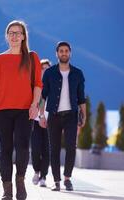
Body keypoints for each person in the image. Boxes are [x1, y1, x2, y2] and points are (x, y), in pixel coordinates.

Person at [0, 20, 42, 200]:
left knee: (22, 148)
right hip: (2, 111)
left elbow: (37, 85)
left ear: (23, 36)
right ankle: (7, 189)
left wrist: (34, 105)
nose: (14, 36)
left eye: (17, 33)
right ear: (7, 36)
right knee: (5, 149)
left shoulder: (32, 57)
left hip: (24, 111)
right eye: (11, 33)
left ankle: (20, 181)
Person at [39, 41, 86, 191]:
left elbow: (81, 97)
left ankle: (67, 179)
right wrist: (41, 115)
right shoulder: (49, 73)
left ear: (70, 53)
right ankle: (57, 181)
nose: (64, 53)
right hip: (53, 115)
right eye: (61, 51)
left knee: (71, 147)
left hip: (71, 115)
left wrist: (83, 115)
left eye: (66, 51)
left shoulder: (78, 73)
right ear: (57, 53)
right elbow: (43, 96)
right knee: (54, 149)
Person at [31, 59, 51, 187]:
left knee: (46, 150)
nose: (45, 71)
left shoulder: (55, 85)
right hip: (36, 121)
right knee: (35, 149)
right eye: (43, 68)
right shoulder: (34, 85)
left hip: (51, 123)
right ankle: (36, 171)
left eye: (47, 69)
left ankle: (43, 176)